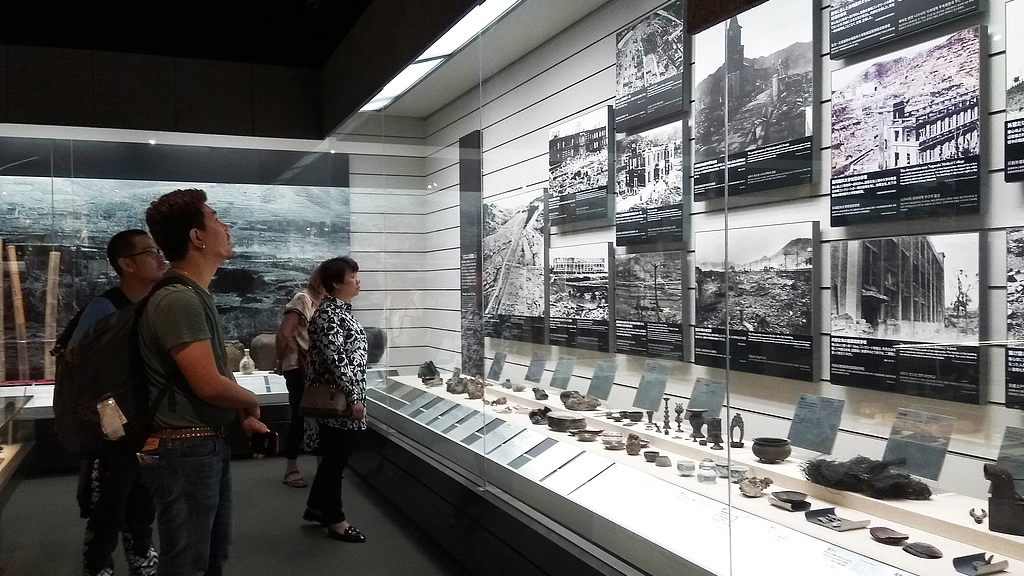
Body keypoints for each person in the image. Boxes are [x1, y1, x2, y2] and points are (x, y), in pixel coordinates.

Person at [138, 188, 269, 575]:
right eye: (215, 219)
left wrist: (241, 408)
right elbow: (208, 384)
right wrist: (249, 398)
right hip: (184, 449)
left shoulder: (190, 294)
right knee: (188, 562)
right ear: (196, 238)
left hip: (195, 445)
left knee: (208, 555)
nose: (225, 225)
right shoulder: (180, 299)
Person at [75, 229, 168, 576]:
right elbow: (79, 366)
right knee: (109, 500)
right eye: (150, 252)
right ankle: (97, 563)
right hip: (111, 421)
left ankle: (141, 552)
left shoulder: (154, 304)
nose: (159, 257)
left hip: (149, 418)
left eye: (158, 250)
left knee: (144, 496)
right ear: (126, 264)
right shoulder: (104, 307)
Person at [302, 256, 368, 543]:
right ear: (337, 283)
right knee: (335, 461)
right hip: (337, 401)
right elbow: (337, 360)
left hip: (344, 396)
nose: (357, 280)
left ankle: (317, 507)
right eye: (352, 276)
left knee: (333, 458)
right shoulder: (329, 315)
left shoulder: (339, 312)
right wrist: (354, 396)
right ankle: (336, 520)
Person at [275, 266, 324, 488]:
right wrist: (280, 360)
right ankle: (291, 467)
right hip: (298, 366)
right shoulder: (302, 299)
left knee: (321, 415)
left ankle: (321, 463)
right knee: (299, 415)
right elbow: (284, 333)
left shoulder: (324, 301)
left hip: (317, 368)